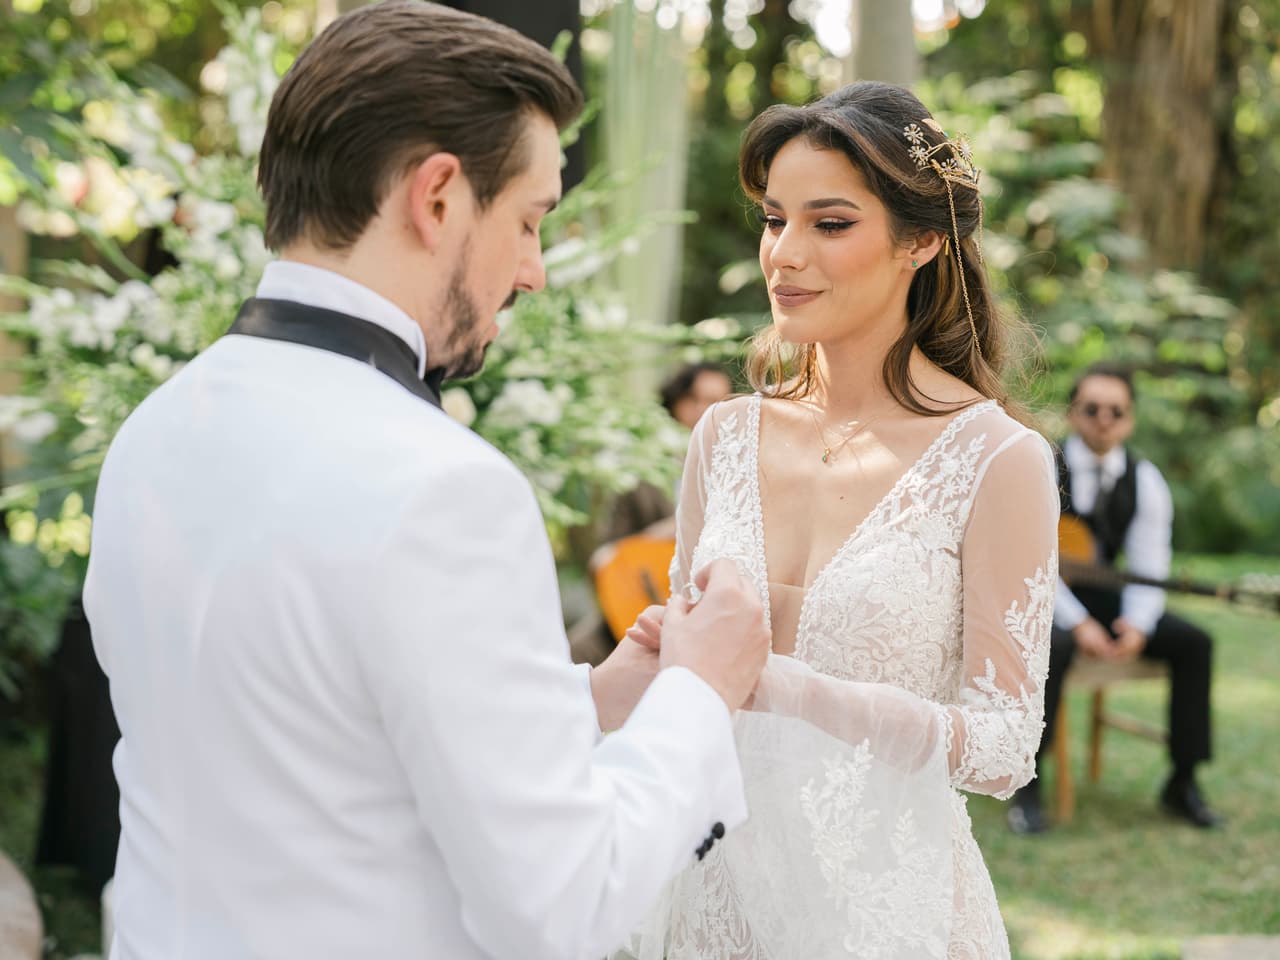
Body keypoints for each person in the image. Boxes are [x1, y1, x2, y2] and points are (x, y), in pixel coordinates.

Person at [82, 4, 771, 958]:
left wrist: (592, 701)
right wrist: (701, 692)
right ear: (438, 195)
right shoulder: (444, 488)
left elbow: (299, 733)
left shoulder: (155, 430)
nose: (531, 272)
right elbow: (560, 910)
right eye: (530, 221)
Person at [617, 82, 1059, 960]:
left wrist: (797, 691)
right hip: (703, 900)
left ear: (923, 241)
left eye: (829, 223)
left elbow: (1005, 749)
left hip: (884, 917)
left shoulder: (997, 460)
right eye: (774, 219)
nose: (783, 253)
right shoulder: (724, 435)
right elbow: (686, 681)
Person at [1007, 364, 1220, 834]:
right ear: (1074, 413)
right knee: (1055, 647)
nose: (1105, 419)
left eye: (1116, 411)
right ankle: (1027, 785)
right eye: (1092, 409)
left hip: (1108, 597)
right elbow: (1030, 561)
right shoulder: (1043, 466)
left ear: (1130, 419)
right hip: (1042, 597)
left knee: (1195, 643)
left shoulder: (1146, 480)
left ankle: (1182, 782)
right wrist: (1078, 622)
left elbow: (1149, 565)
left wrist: (1138, 625)